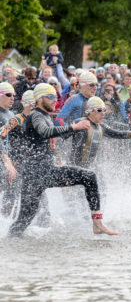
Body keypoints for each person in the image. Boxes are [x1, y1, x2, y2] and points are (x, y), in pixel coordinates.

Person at [8, 83, 118, 237]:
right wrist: (73, 127)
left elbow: (52, 138)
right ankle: (97, 223)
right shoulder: (36, 115)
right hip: (40, 172)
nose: (55, 100)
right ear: (39, 99)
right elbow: (45, 132)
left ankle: (8, 244)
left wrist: (74, 133)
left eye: (56, 97)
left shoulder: (44, 115)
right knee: (24, 221)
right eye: (51, 97)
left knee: (22, 222)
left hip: (35, 175)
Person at [70, 96, 131, 168]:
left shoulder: (101, 127)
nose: (103, 113)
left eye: (104, 110)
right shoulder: (79, 123)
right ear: (90, 111)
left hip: (89, 169)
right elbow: (62, 133)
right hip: (74, 169)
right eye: (99, 110)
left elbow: (119, 134)